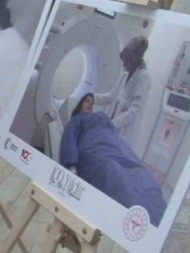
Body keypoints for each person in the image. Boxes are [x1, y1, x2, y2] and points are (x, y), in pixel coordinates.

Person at [60, 93, 167, 226]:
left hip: (118, 149)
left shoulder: (102, 117)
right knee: (117, 176)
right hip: (97, 149)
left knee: (143, 175)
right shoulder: (76, 120)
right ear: (79, 105)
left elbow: (113, 132)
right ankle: (146, 225)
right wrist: (70, 165)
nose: (90, 105)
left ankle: (164, 222)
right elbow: (68, 140)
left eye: (92, 103)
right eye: (87, 101)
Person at [94, 36, 151, 156]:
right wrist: (91, 97)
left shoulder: (144, 78)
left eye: (126, 61)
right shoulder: (125, 74)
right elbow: (110, 97)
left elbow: (135, 112)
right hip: (111, 126)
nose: (124, 64)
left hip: (123, 133)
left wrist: (112, 123)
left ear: (133, 59)